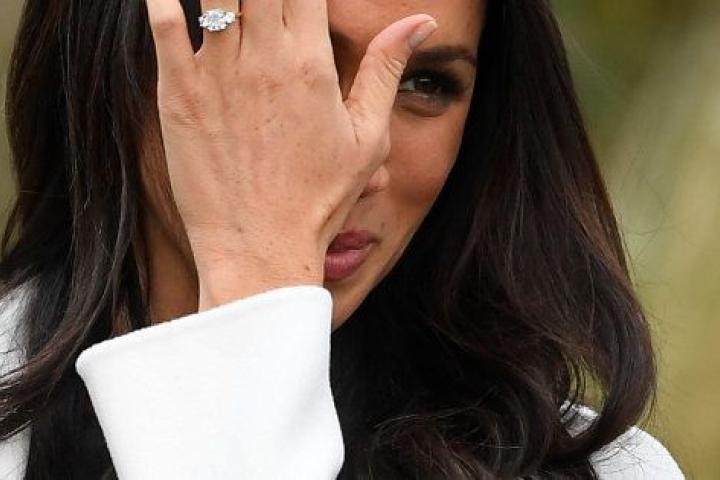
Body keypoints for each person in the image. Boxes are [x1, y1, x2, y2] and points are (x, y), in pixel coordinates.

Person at [0, 0, 684, 478]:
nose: (360, 157)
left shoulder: (598, 469)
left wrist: (254, 292)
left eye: (424, 83)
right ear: (122, 65)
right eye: (297, 72)